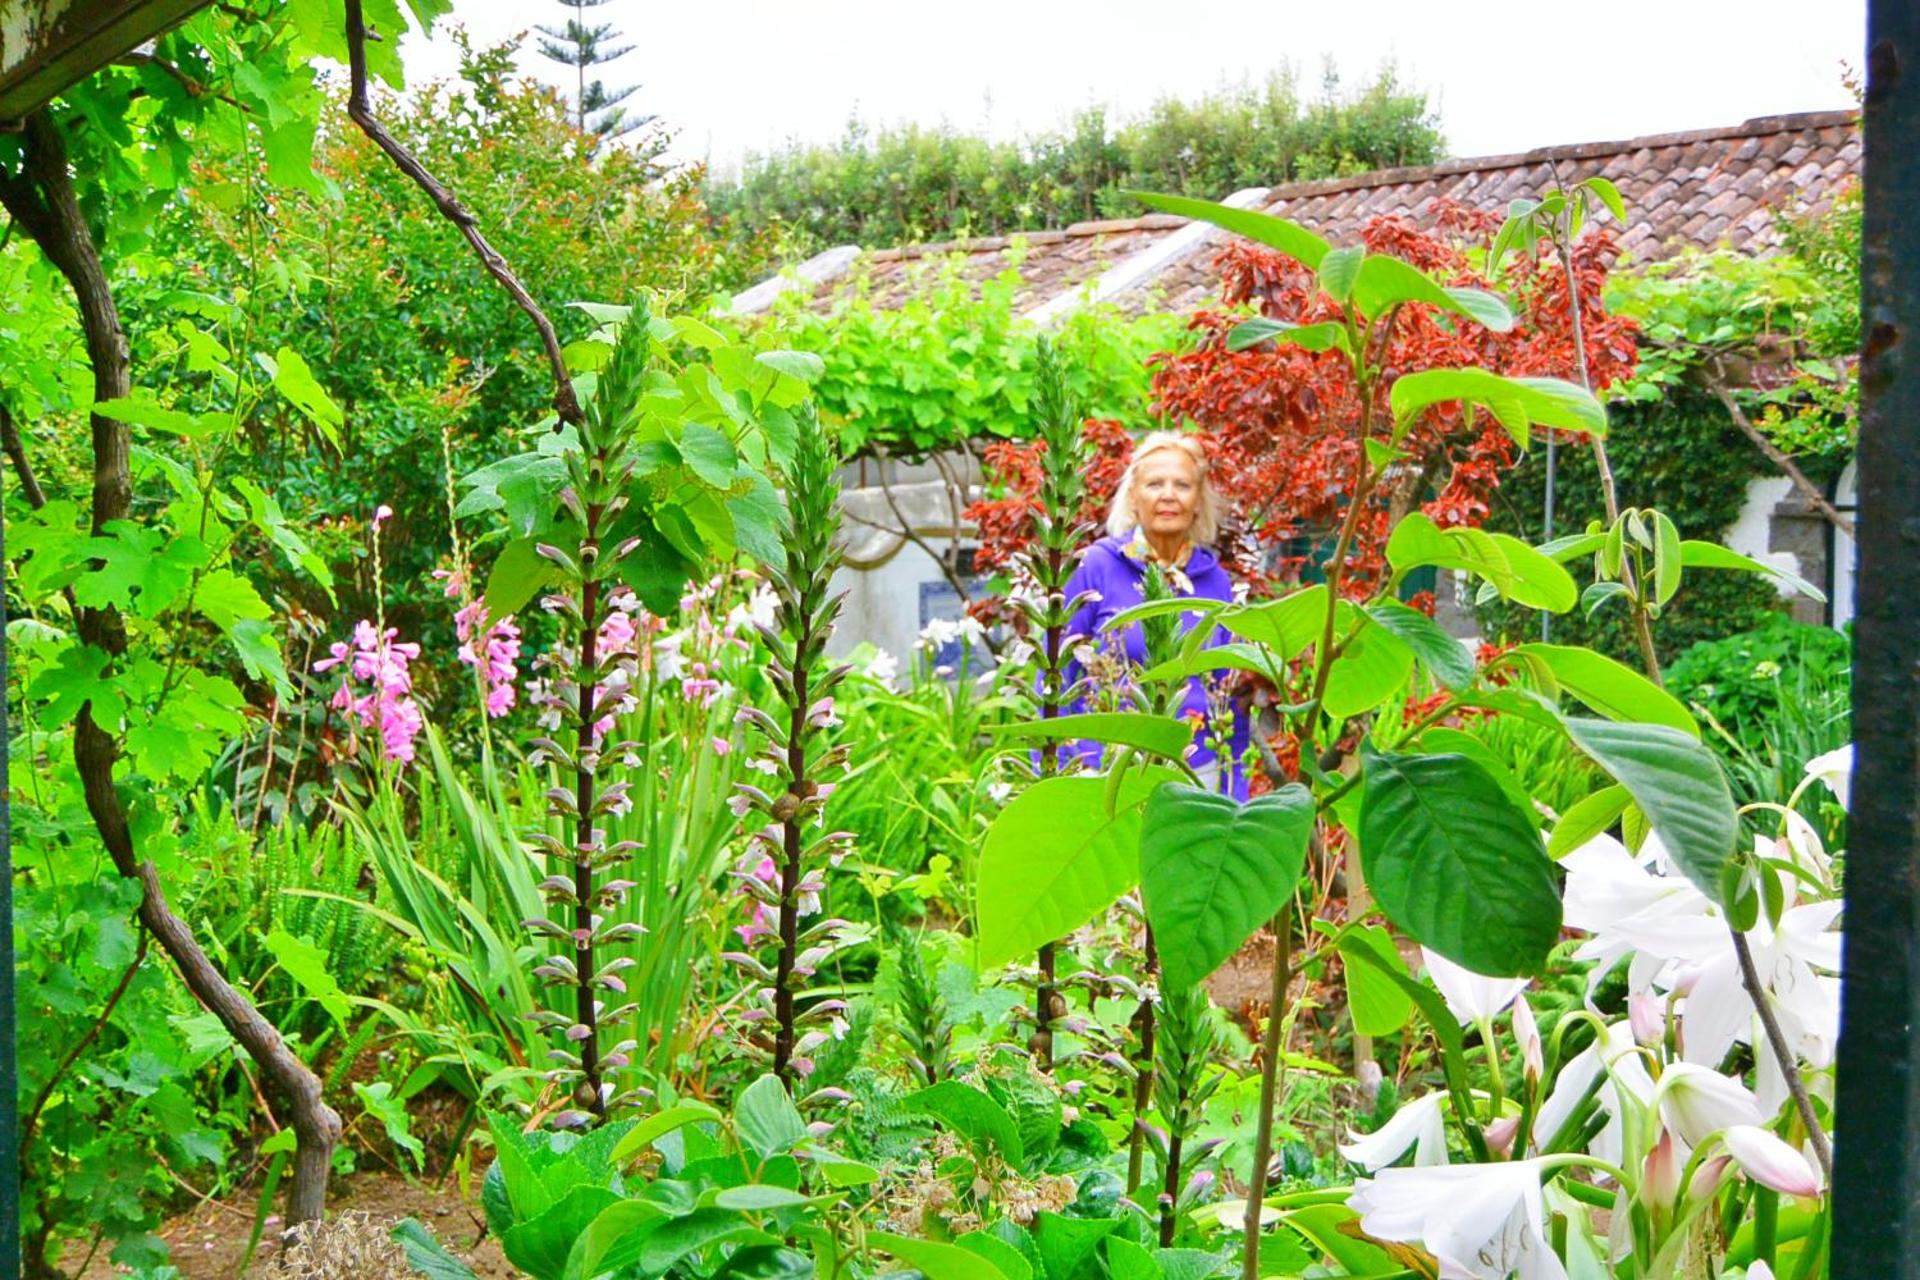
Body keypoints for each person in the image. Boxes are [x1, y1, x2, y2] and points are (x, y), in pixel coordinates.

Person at [1058, 430, 1246, 792]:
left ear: (1198, 501)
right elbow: (1056, 668)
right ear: (1133, 496)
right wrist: (1059, 767)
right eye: (1155, 484)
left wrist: (1234, 786)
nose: (1168, 496)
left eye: (1182, 485)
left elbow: (1229, 692)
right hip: (1108, 771)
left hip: (1195, 773)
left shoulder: (1215, 582)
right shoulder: (1096, 566)